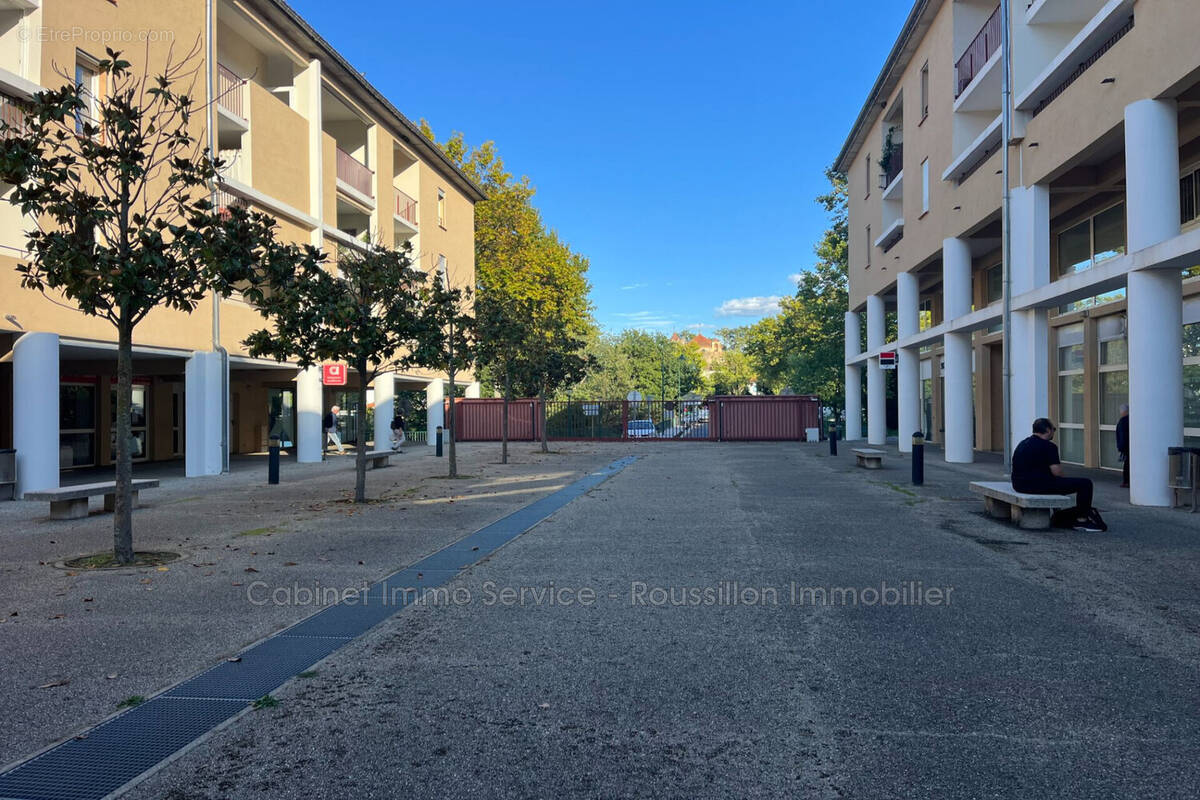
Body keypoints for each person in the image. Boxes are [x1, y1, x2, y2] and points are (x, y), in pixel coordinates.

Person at [1011, 418, 1106, 532]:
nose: (1054, 432)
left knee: (1060, 483)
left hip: (1018, 485)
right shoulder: (1049, 446)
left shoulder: (1022, 443)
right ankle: (1082, 519)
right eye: (1054, 429)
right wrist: (1064, 483)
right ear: (1047, 430)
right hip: (1037, 485)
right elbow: (1057, 473)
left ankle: (1070, 515)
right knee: (1085, 484)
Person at [1115, 403, 1130, 488]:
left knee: (1127, 465)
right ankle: (1127, 481)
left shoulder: (1123, 421)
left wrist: (1121, 448)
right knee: (1128, 464)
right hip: (1128, 446)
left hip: (1125, 446)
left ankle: (1126, 481)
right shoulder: (1130, 420)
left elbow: (1122, 435)